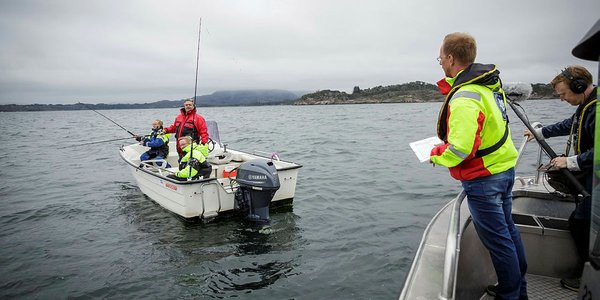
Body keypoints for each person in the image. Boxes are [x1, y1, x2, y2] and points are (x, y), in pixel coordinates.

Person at [430, 32, 528, 300]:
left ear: (450, 58)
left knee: (499, 242)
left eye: (440, 56)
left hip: (484, 179)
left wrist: (435, 155)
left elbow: (461, 149)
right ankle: (520, 289)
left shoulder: (464, 96)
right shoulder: (487, 86)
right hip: (504, 170)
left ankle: (511, 294)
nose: (439, 61)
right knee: (508, 231)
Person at [524, 65, 596, 292]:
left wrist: (570, 162)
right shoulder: (587, 105)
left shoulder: (597, 108)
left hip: (595, 179)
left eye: (564, 93)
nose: (562, 99)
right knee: (580, 222)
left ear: (579, 86)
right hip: (591, 177)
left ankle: (590, 277)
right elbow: (570, 125)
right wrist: (541, 132)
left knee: (581, 223)